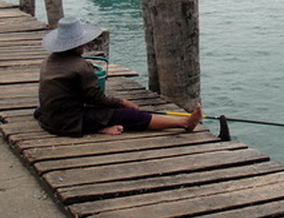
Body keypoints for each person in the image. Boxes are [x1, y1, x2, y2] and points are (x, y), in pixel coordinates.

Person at [35, 16, 202, 137]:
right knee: (129, 115)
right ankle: (184, 122)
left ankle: (100, 127)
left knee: (103, 113)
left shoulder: (49, 61)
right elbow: (96, 99)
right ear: (77, 44)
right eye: (83, 42)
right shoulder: (81, 66)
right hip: (68, 122)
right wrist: (123, 102)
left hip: (50, 117)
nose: (86, 45)